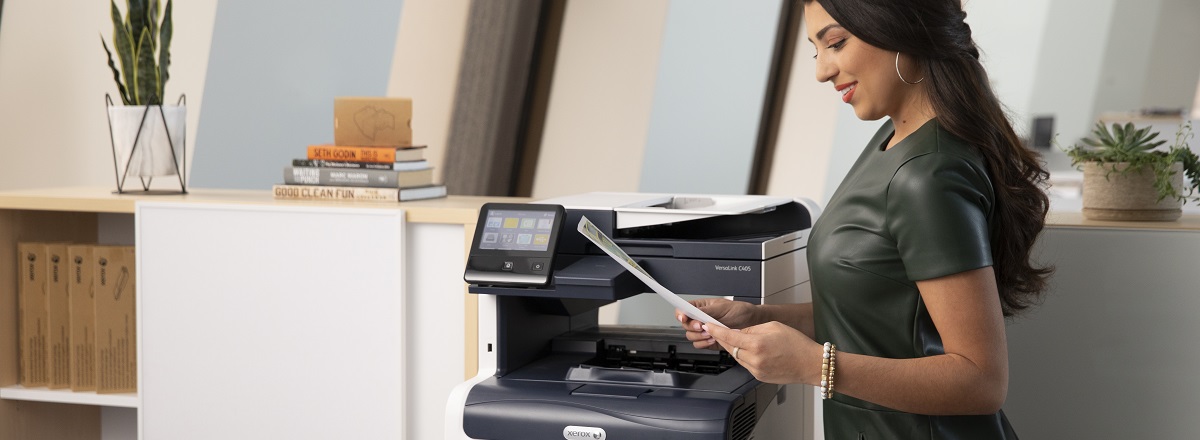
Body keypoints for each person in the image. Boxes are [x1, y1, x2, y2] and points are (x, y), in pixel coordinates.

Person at [676, 0, 1051, 438]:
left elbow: (981, 381)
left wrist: (813, 365)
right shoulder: (892, 140)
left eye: (836, 43)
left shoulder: (926, 174)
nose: (823, 71)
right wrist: (757, 317)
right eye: (817, 51)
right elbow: (880, 311)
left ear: (900, 28)